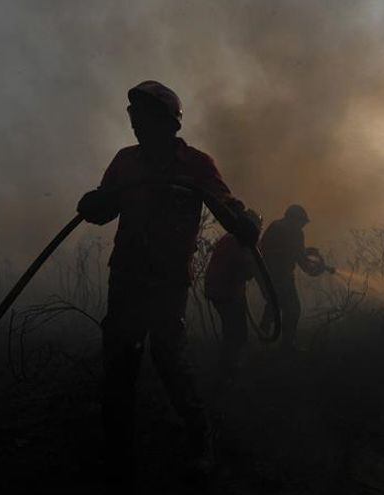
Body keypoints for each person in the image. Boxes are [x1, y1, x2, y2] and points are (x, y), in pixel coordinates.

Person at [76, 80, 259, 485]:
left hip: (167, 283)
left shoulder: (196, 164)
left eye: (141, 115)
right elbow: (104, 207)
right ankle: (119, 457)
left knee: (169, 361)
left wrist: (244, 223)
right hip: (126, 277)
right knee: (120, 366)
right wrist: (92, 203)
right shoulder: (126, 162)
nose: (134, 122)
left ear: (167, 122)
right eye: (132, 115)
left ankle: (200, 443)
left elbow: (225, 205)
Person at [258, 204, 331, 352]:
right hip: (282, 276)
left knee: (275, 305)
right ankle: (286, 345)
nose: (303, 226)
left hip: (267, 275)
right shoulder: (294, 231)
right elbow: (301, 260)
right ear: (295, 219)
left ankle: (263, 335)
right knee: (293, 309)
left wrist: (306, 253)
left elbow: (287, 251)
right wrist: (315, 268)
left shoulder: (275, 226)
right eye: (302, 222)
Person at [204, 209, 263, 390]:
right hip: (227, 293)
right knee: (236, 334)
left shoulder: (230, 239)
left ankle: (229, 370)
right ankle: (226, 374)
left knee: (233, 332)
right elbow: (245, 272)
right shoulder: (239, 242)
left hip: (220, 291)